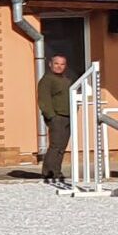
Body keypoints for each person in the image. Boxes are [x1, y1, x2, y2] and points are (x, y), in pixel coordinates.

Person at [38, 53, 74, 188]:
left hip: (68, 116)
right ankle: (48, 172)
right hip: (57, 117)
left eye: (62, 64)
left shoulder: (66, 80)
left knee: (61, 147)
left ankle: (56, 172)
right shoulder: (47, 80)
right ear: (50, 64)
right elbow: (44, 100)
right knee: (55, 146)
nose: (59, 66)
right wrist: (51, 116)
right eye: (56, 63)